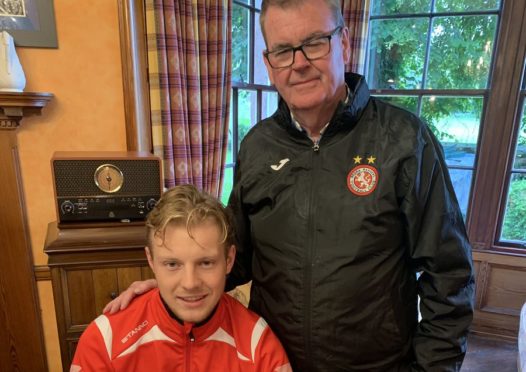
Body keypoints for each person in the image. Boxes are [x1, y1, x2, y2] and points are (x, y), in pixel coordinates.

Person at [105, 0, 475, 370]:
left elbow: (450, 275)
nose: (299, 63)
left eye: (315, 42)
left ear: (343, 43)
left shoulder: (405, 141)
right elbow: (234, 256)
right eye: (283, 50)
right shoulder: (256, 147)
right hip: (270, 361)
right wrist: (175, 285)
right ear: (269, 64)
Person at [73, 185, 291, 371]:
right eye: (172, 264)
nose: (190, 283)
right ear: (151, 260)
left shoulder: (257, 342)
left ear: (229, 260)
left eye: (206, 263)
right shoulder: (105, 340)